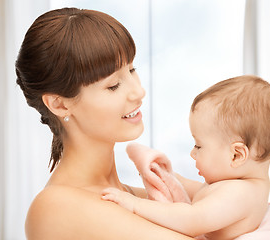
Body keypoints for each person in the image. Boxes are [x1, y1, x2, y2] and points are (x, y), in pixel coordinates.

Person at [16, 7, 195, 240]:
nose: (138, 92)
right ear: (59, 104)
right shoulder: (55, 207)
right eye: (113, 86)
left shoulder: (135, 195)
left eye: (132, 69)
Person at [101, 75, 270, 240]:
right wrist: (167, 176)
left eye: (199, 146)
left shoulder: (242, 194)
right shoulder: (236, 185)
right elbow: (201, 191)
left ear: (236, 155)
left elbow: (192, 220)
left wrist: (135, 205)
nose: (193, 153)